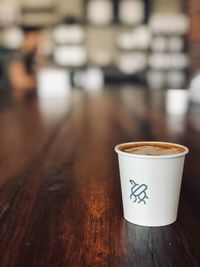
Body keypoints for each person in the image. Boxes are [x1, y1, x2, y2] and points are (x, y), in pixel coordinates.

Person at [8, 26, 42, 91]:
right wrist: (42, 82)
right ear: (26, 38)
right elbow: (20, 83)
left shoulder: (31, 56)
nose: (38, 43)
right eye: (35, 39)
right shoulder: (17, 55)